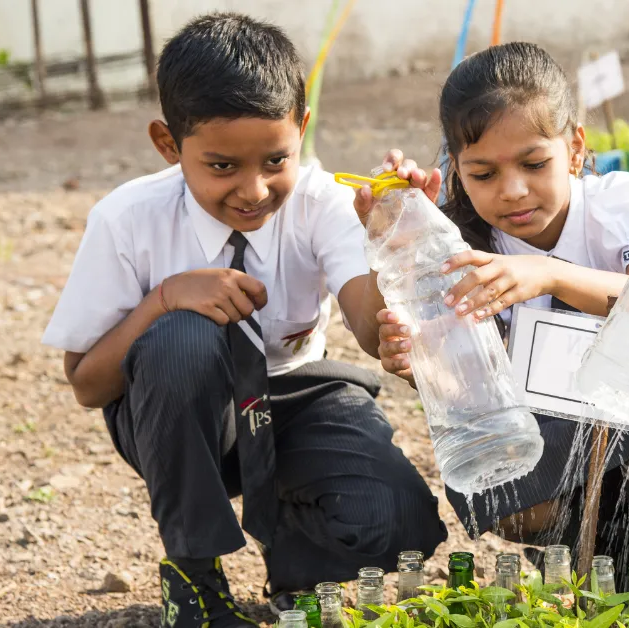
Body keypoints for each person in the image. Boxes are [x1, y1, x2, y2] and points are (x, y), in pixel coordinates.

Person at [40, 13, 446, 627]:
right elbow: (87, 385)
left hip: (295, 399)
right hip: (180, 416)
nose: (254, 190)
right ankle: (194, 572)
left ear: (302, 131)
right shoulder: (127, 220)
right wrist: (164, 299)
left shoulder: (324, 205)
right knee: (183, 338)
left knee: (398, 519)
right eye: (222, 166)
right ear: (168, 145)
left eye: (275, 160)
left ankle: (299, 567)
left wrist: (395, 241)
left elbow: (368, 328)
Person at [365, 42, 629, 587]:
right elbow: (460, 384)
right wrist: (417, 355)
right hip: (544, 425)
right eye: (483, 173)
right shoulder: (455, 246)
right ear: (455, 168)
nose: (513, 190)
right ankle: (587, 561)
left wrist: (553, 276)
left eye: (534, 163)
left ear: (574, 147)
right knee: (537, 503)